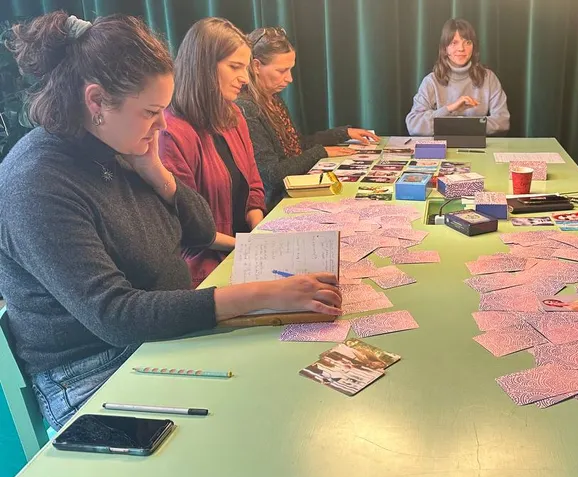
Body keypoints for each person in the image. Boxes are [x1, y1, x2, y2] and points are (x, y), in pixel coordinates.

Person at [0, 12, 342, 430]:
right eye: (151, 111)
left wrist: (157, 173)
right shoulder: (35, 184)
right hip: (91, 371)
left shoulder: (119, 147)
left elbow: (197, 233)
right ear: (96, 103)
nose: (162, 124)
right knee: (256, 424)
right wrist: (260, 296)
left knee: (285, 390)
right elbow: (115, 315)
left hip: (157, 338)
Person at [159, 18, 266, 286]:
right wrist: (245, 246)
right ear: (203, 67)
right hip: (206, 270)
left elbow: (253, 184)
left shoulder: (234, 116)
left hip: (245, 254)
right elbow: (188, 227)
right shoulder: (171, 132)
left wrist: (258, 231)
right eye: (235, 67)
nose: (244, 78)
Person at [235, 26, 379, 210]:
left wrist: (343, 133)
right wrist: (320, 152)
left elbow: (297, 145)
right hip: (276, 204)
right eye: (282, 71)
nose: (289, 79)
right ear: (256, 66)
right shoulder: (247, 109)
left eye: (290, 70)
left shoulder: (272, 99)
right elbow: (271, 175)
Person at [405, 18, 509, 136]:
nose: (461, 49)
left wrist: (455, 125)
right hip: (441, 149)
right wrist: (449, 109)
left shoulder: (489, 78)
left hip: (478, 148)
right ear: (445, 48)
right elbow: (414, 124)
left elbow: (502, 121)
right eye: (454, 43)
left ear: (473, 47)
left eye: (467, 42)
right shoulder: (431, 81)